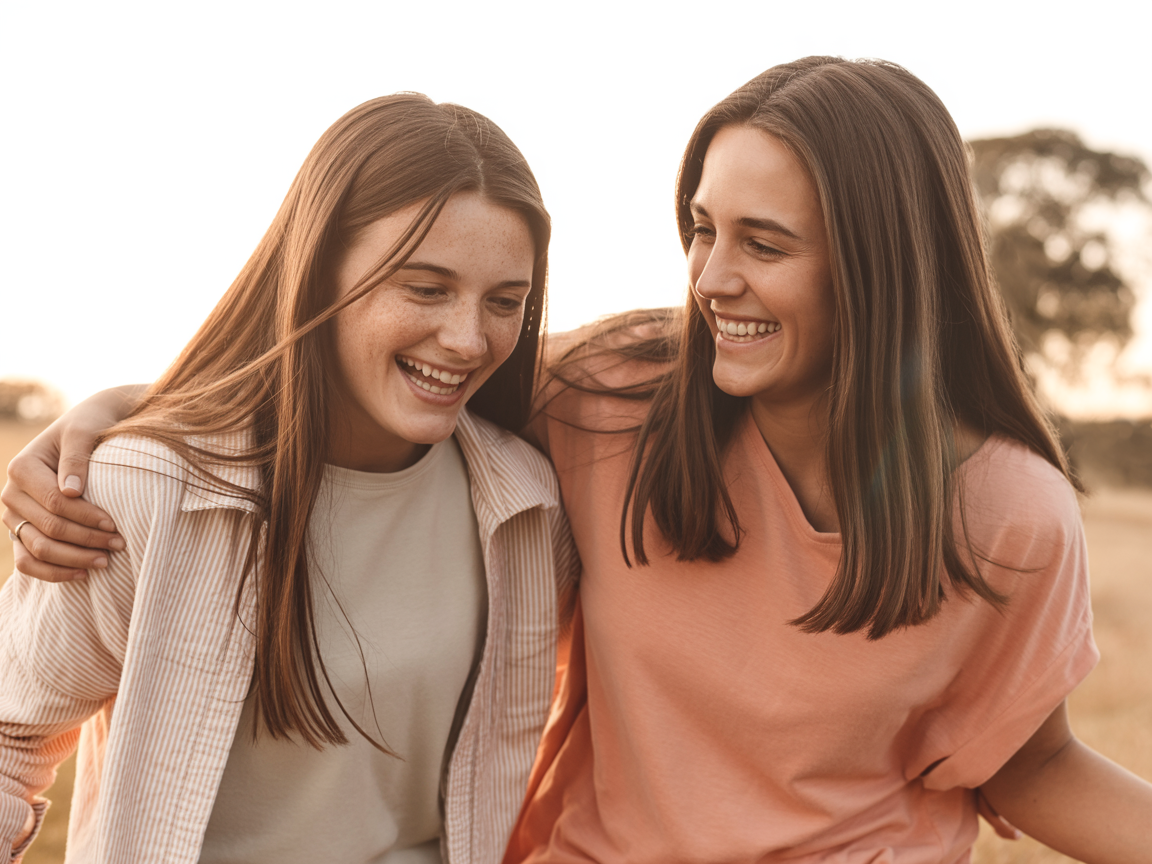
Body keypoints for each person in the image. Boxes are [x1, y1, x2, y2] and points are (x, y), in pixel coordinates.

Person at [7, 57, 1152, 862]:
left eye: (764, 243)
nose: (710, 279)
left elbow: (1028, 760)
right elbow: (367, 372)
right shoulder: (612, 403)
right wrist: (129, 417)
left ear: (884, 266)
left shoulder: (1011, 511)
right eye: (700, 230)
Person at [0, 94, 577, 863]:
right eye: (425, 288)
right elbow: (11, 745)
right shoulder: (147, 488)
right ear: (317, 271)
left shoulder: (528, 509)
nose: (469, 339)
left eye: (505, 302)